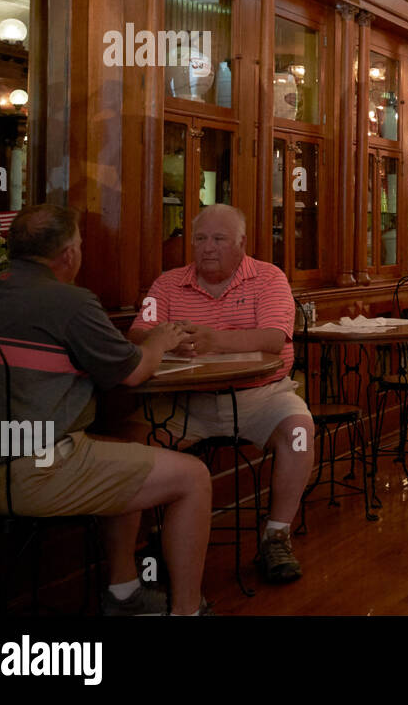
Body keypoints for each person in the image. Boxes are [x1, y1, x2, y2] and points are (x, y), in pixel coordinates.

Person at [0, 204, 212, 615]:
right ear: (69, 254)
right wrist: (159, 340)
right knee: (194, 477)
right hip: (30, 470)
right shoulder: (71, 303)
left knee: (125, 446)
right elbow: (133, 372)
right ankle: (187, 611)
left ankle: (125, 592)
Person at [129, 204, 313, 584]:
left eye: (219, 239)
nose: (207, 247)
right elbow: (136, 333)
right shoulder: (166, 284)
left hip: (261, 396)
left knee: (299, 433)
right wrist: (164, 341)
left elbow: (274, 339)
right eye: (200, 238)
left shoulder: (269, 278)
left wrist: (213, 340)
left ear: (241, 242)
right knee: (131, 443)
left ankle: (276, 537)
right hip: (184, 401)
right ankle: (148, 545)